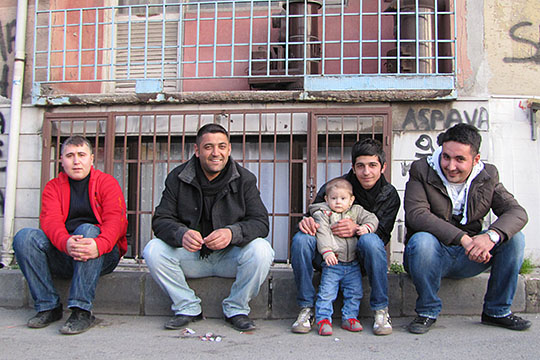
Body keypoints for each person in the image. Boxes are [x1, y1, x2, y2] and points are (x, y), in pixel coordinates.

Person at [143, 123, 274, 332]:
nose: (216, 153)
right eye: (208, 147)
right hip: (191, 257)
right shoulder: (177, 178)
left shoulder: (245, 179)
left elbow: (260, 222)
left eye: (222, 146)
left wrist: (233, 233)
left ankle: (237, 308)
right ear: (197, 151)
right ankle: (187, 306)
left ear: (229, 149)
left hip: (230, 258)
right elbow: (160, 220)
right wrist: (181, 234)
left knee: (262, 250)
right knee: (153, 250)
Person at [404, 123, 531, 334]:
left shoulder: (487, 176)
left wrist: (490, 236)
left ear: (476, 159)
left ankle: (497, 311)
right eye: (446, 157)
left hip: (471, 256)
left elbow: (517, 212)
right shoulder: (422, 170)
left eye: (460, 159)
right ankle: (427, 311)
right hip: (431, 255)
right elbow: (417, 215)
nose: (450, 166)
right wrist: (464, 239)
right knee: (421, 240)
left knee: (515, 238)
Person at [13, 136, 128, 335]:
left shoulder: (106, 183)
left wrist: (98, 245)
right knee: (24, 237)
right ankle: (48, 306)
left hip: (102, 254)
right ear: (62, 160)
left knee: (86, 230)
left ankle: (81, 310)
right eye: (70, 155)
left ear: (92, 159)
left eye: (81, 155)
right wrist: (66, 242)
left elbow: (116, 221)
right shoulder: (53, 187)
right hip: (65, 251)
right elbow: (50, 223)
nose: (76, 161)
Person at [291, 138, 400, 336]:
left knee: (371, 240)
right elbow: (314, 215)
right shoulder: (335, 188)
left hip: (360, 258)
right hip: (328, 255)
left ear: (383, 167)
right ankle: (307, 308)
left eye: (372, 165)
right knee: (301, 239)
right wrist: (305, 222)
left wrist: (358, 228)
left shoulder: (389, 194)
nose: (366, 172)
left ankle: (380, 309)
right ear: (353, 167)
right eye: (361, 166)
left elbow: (382, 235)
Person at [310, 178, 379, 336]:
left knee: (354, 292)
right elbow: (323, 233)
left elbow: (372, 218)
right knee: (327, 292)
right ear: (327, 199)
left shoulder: (356, 211)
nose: (338, 202)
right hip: (333, 263)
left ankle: (350, 317)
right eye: (334, 198)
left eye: (343, 198)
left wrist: (366, 228)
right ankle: (323, 319)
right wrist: (326, 251)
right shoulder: (323, 214)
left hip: (352, 264)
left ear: (351, 199)